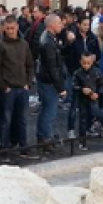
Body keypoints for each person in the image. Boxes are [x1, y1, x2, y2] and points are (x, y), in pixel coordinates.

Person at [0, 14, 36, 161]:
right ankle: (4, 150)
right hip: (8, 89)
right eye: (8, 28)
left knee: (22, 120)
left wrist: (28, 82)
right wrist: (3, 86)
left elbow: (30, 65)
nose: (10, 31)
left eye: (12, 28)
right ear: (4, 28)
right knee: (6, 121)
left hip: (22, 88)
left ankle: (23, 148)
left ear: (17, 27)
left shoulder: (24, 44)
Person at [36, 13, 67, 148]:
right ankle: (46, 138)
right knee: (49, 111)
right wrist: (60, 87)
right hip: (48, 82)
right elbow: (52, 67)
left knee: (46, 110)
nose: (61, 25)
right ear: (52, 24)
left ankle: (43, 136)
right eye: (59, 23)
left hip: (45, 79)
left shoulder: (48, 38)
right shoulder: (48, 42)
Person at [72, 53, 103, 150]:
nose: (86, 65)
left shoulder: (97, 72)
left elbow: (102, 84)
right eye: (84, 63)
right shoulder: (77, 73)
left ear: (92, 62)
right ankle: (82, 141)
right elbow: (74, 85)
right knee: (82, 120)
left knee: (96, 113)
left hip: (93, 97)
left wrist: (98, 93)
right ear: (80, 62)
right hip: (82, 99)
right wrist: (82, 89)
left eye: (88, 63)